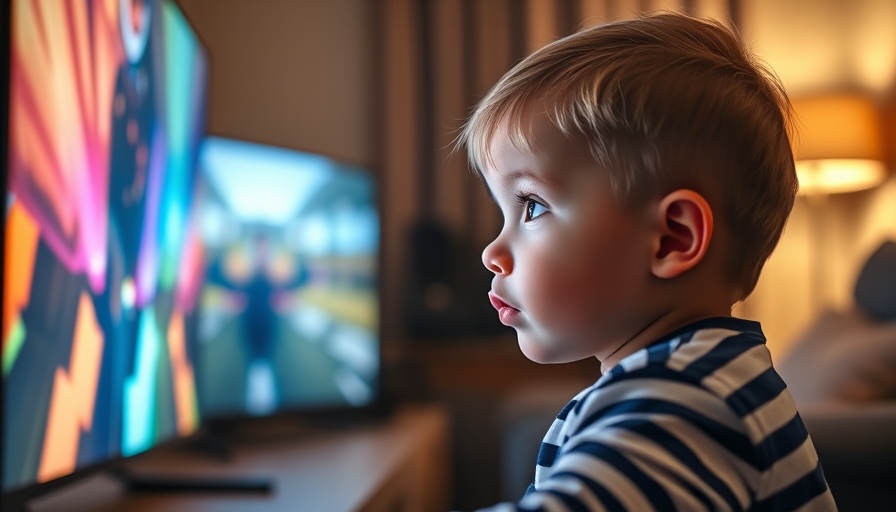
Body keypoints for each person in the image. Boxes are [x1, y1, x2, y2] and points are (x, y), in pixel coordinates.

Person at [455, 12, 837, 511]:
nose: (492, 252)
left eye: (532, 206)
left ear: (672, 238)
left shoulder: (688, 403)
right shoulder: (699, 379)